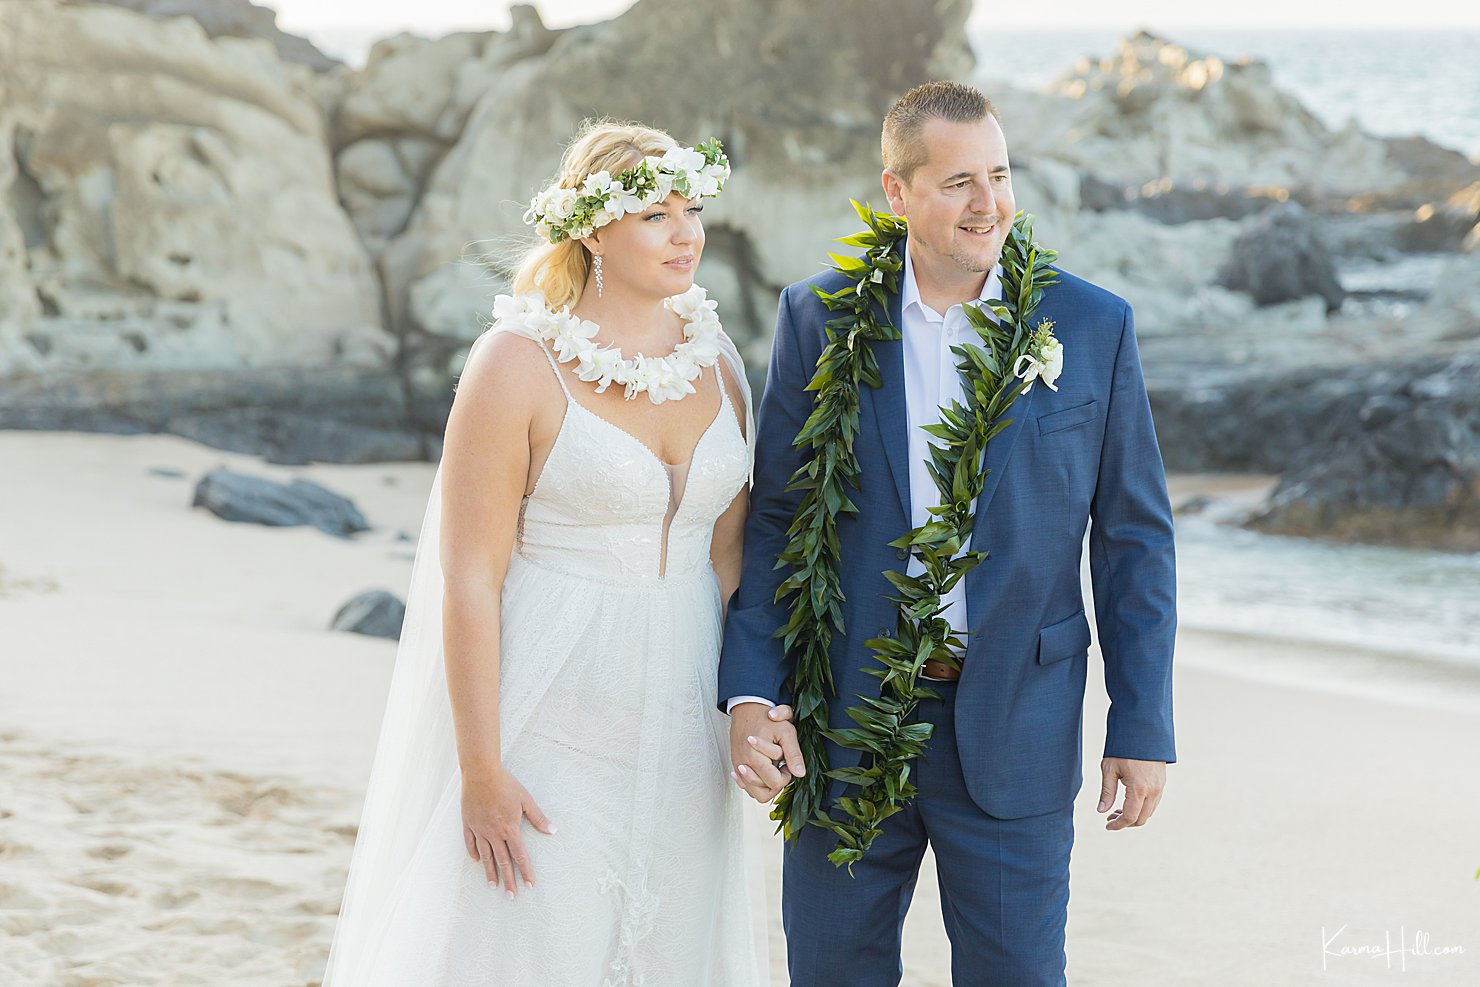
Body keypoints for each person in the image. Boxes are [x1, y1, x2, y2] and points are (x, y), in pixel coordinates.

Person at [719, 81, 1178, 985]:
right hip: (843, 724)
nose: (988, 204)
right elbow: (776, 516)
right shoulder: (819, 320)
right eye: (959, 180)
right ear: (896, 192)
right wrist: (747, 693)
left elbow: (1133, 540)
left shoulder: (1090, 325)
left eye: (999, 176)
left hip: (1019, 721)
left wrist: (1143, 720)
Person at [321, 120, 769, 986]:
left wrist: (755, 701)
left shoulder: (719, 365)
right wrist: (481, 767)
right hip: (552, 707)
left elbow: (731, 563)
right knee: (532, 941)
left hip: (683, 718)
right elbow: (469, 577)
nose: (687, 233)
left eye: (693, 210)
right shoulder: (515, 365)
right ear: (594, 229)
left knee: (665, 944)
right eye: (656, 215)